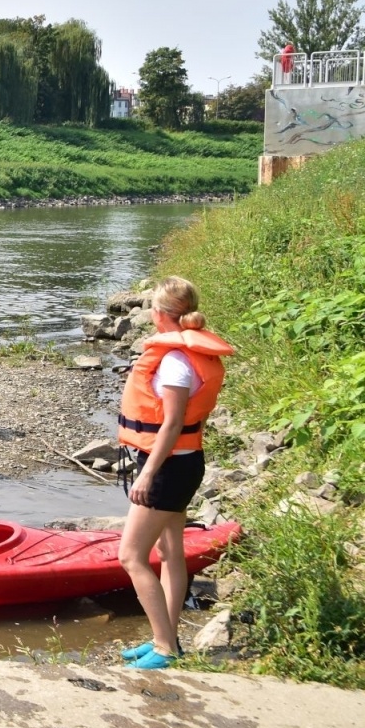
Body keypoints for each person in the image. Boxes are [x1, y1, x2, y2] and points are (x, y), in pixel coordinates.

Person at [115, 276, 234, 670]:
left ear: (159, 314)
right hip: (183, 463)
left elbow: (170, 424)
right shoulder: (185, 354)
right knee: (169, 553)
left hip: (169, 467)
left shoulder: (175, 361)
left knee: (131, 556)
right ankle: (163, 638)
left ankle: (167, 648)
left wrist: (147, 474)